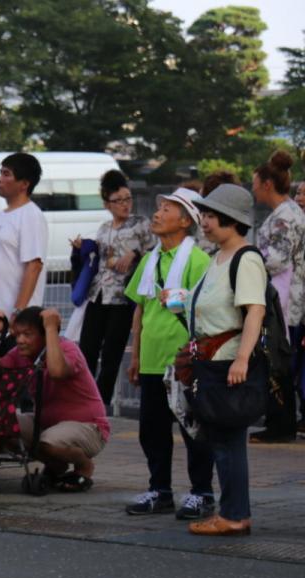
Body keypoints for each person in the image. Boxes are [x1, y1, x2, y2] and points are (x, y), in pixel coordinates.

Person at [122, 189, 216, 518]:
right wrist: (135, 356)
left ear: (186, 221)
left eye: (167, 209)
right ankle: (159, 490)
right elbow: (140, 308)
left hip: (183, 360)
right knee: (152, 430)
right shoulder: (150, 259)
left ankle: (202, 493)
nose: (158, 213)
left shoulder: (198, 260)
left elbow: (206, 307)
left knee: (193, 430)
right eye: (159, 207)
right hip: (151, 359)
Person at [185, 185, 267, 536]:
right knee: (221, 439)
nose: (203, 221)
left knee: (228, 441)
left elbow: (255, 310)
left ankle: (234, 515)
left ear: (232, 220)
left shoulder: (245, 258)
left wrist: (242, 359)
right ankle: (231, 511)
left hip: (229, 361)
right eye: (203, 214)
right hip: (212, 360)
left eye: (211, 215)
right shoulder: (218, 257)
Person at [0, 306, 110, 492]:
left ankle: (84, 465)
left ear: (44, 335)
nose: (20, 340)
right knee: (0, 426)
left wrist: (51, 328)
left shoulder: (67, 348)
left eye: (27, 334)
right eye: (17, 334)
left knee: (47, 443)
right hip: (46, 424)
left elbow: (57, 371)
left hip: (88, 426)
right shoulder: (20, 354)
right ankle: (57, 465)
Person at [75, 170, 156, 407]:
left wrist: (135, 253)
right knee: (87, 349)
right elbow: (99, 257)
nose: (125, 204)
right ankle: (84, 398)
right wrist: (82, 247)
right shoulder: (103, 228)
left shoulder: (141, 223)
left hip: (122, 297)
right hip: (98, 295)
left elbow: (155, 252)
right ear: (107, 204)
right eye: (118, 200)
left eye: (127, 198)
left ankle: (101, 403)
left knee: (112, 354)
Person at [249, 151, 305, 443]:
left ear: (267, 184)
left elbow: (278, 259)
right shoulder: (286, 212)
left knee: (278, 361)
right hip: (283, 295)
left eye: (255, 183)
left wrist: (249, 259)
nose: (253, 189)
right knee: (277, 361)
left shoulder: (285, 216)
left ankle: (281, 425)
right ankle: (280, 422)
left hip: (285, 298)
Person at [0, 153, 49, 350]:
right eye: (0, 173)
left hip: (12, 320)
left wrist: (18, 312)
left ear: (24, 184)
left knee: (9, 369)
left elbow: (34, 266)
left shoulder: (30, 215)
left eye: (6, 174)